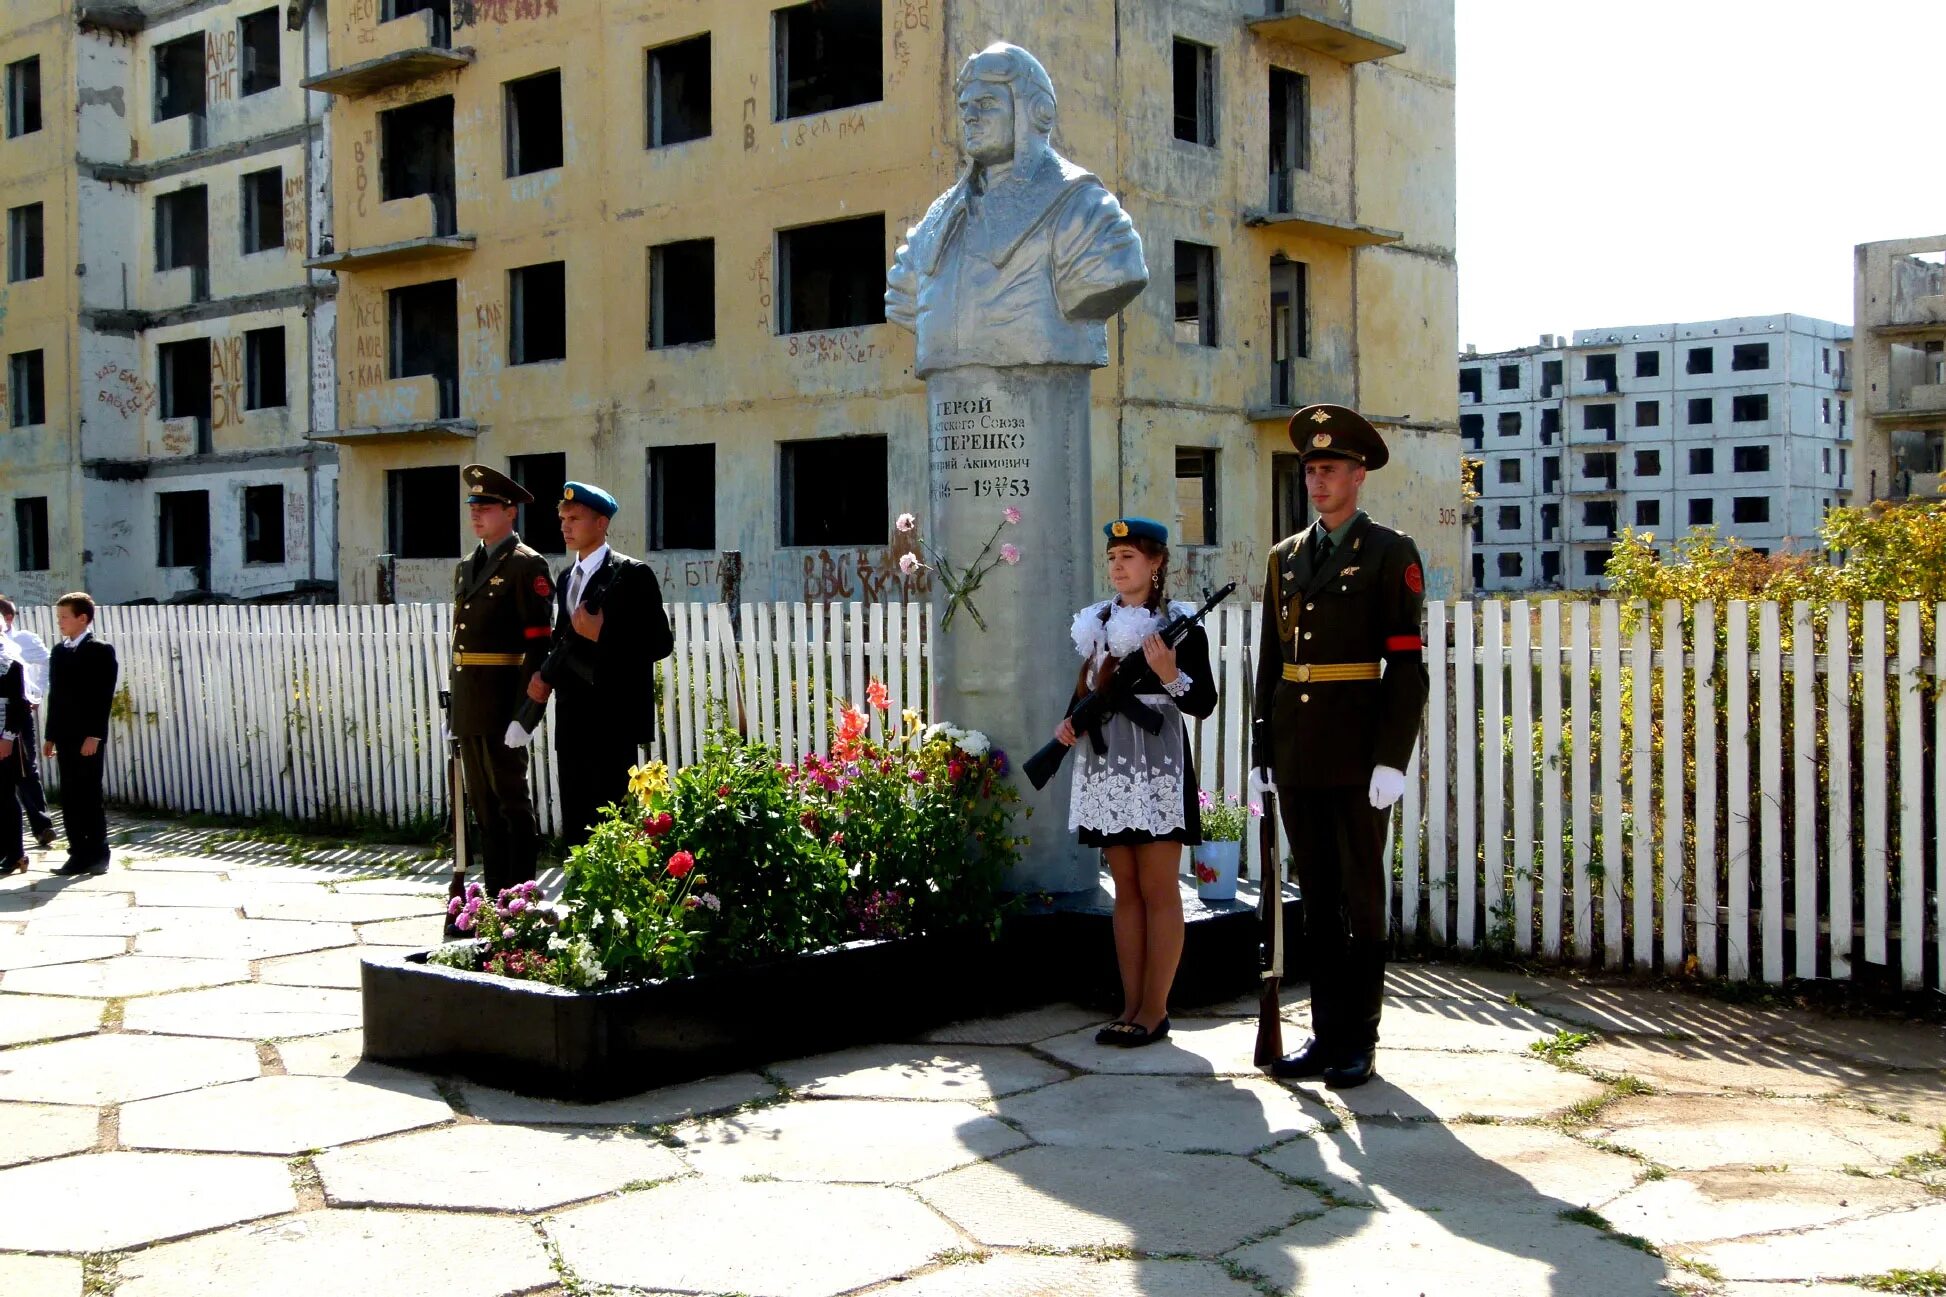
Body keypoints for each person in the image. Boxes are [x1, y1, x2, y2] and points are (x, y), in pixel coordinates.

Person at [1252, 405, 1429, 1089]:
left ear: (1359, 475)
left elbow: (1407, 666)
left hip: (1358, 752)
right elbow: (1270, 663)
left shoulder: (1389, 553)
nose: (1317, 480)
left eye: (1329, 469)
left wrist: (1393, 756)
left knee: (1359, 895)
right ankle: (1325, 1036)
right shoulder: (1285, 558)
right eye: (1310, 469)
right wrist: (1262, 749)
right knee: (1317, 898)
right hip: (1298, 751)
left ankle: (1362, 1038)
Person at [884, 41, 1148, 378]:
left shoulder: (1085, 209)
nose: (970, 117)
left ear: (1034, 112)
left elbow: (1118, 274)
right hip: (947, 405)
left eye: (986, 104)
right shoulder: (934, 223)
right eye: (966, 107)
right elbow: (902, 297)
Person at [1054, 518, 1218, 1048]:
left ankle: (1155, 1009)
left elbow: (1202, 703)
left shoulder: (1180, 624)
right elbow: (1090, 688)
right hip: (1107, 762)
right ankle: (1128, 1005)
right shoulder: (1096, 622)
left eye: (1129, 556)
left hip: (1157, 763)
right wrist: (1069, 719)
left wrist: (1170, 672)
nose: (1118, 566)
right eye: (1113, 557)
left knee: (1157, 887)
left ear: (1156, 563)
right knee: (1125, 890)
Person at [520, 481, 673, 848]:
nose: (565, 526)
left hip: (612, 718)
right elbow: (564, 643)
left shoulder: (632, 574)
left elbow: (660, 642)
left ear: (601, 523)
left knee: (610, 816)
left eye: (575, 518)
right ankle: (579, 895)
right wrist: (543, 676)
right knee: (575, 814)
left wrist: (605, 633)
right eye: (562, 518)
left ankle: (613, 896)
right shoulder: (566, 578)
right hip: (572, 716)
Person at [449, 464, 554, 894]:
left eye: (487, 506)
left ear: (510, 512)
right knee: (483, 808)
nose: (477, 514)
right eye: (473, 506)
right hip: (471, 705)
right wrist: (455, 708)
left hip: (503, 706)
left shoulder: (526, 565)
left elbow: (539, 646)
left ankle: (521, 898)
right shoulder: (466, 567)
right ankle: (494, 900)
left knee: (512, 803)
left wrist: (525, 715)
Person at [43, 592, 119, 876]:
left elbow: (103, 696)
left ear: (82, 618)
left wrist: (94, 735)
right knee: (70, 794)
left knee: (89, 792)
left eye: (65, 617)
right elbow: (56, 696)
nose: (60, 622)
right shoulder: (59, 652)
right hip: (64, 735)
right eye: (58, 617)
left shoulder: (99, 650)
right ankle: (77, 852)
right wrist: (51, 735)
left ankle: (99, 852)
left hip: (88, 737)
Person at [0, 597, 57, 849]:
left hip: (16, 714)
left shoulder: (22, 641)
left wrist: (37, 692)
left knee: (24, 770)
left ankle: (41, 825)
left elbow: (45, 663)